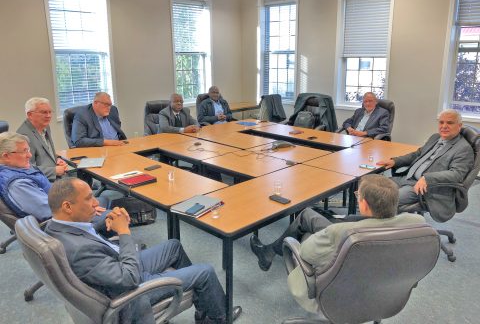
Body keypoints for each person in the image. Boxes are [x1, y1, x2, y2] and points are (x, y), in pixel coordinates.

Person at [45, 177, 242, 324]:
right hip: (131, 291)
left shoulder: (56, 227)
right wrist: (123, 231)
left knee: (173, 246)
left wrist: (102, 224)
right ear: (67, 206)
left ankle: (204, 308)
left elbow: (87, 237)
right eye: (89, 199)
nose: (96, 203)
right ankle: (219, 319)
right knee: (205, 272)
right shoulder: (79, 251)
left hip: (116, 266)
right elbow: (129, 278)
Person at [250, 174, 425, 313]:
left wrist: (315, 237)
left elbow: (305, 253)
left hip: (337, 292)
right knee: (313, 216)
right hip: (388, 293)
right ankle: (274, 248)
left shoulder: (342, 233)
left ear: (363, 204)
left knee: (307, 225)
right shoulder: (416, 223)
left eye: (358, 196)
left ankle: (269, 253)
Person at [377, 109, 474, 222]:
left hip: (425, 189)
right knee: (371, 186)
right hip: (408, 178)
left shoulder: (463, 148)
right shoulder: (435, 137)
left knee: (386, 199)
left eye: (449, 123)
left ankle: (383, 231)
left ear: (459, 126)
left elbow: (457, 174)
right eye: (441, 122)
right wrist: (395, 161)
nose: (444, 126)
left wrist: (428, 178)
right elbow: (418, 154)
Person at [0, 132, 114, 222]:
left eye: (28, 150)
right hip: (65, 222)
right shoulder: (18, 184)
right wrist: (82, 209)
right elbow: (48, 212)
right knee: (117, 217)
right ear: (6, 156)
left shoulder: (17, 168)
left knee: (105, 201)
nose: (29, 155)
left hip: (62, 204)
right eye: (24, 151)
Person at [17, 97, 68, 182]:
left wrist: (56, 160)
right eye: (44, 112)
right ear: (30, 115)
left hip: (56, 176)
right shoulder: (24, 136)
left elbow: (46, 152)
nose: (48, 116)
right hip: (43, 181)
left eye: (50, 112)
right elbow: (26, 167)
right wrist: (54, 171)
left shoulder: (45, 126)